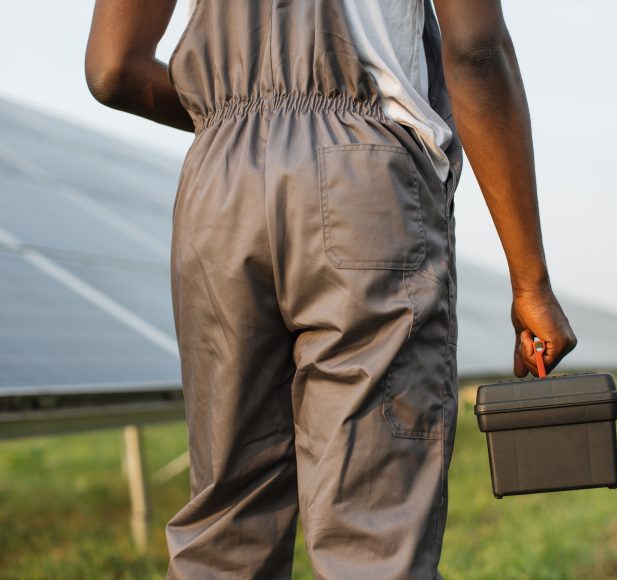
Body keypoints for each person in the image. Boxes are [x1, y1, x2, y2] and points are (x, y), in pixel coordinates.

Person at [85, 0, 577, 577]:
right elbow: (475, 48)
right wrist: (531, 282)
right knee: (371, 537)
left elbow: (112, 69)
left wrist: (235, 119)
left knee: (223, 530)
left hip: (219, 185)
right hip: (362, 181)